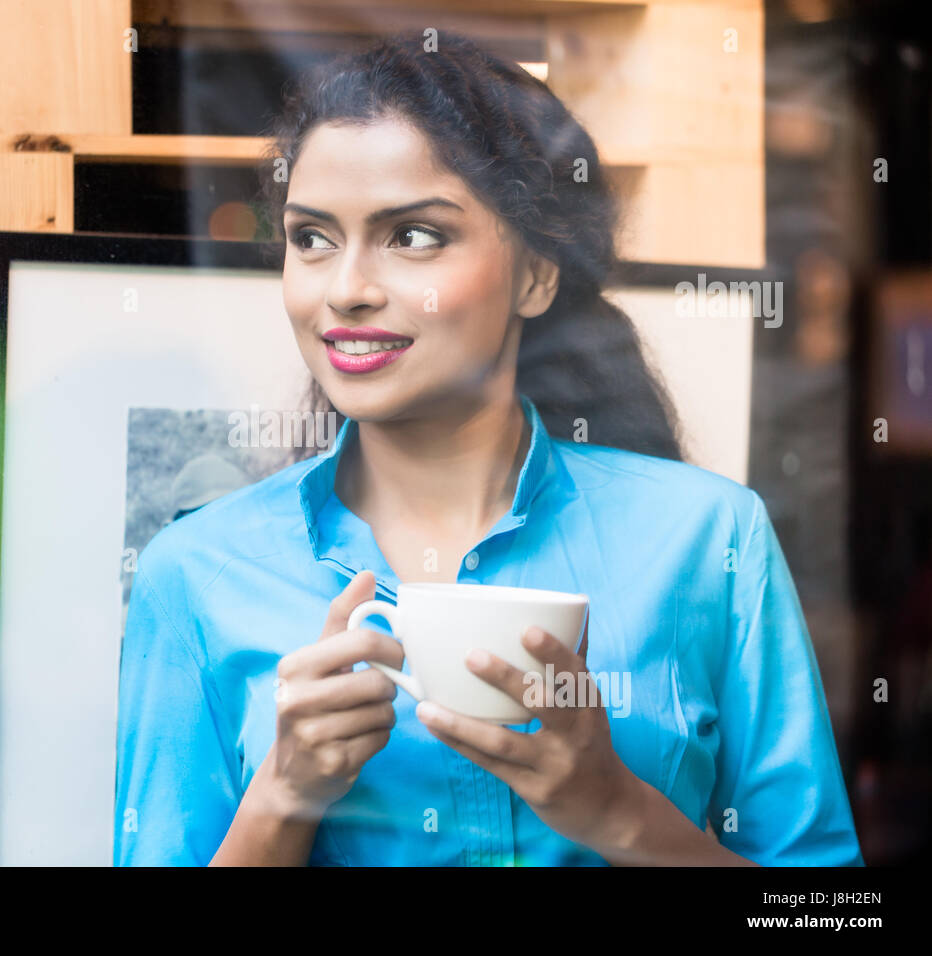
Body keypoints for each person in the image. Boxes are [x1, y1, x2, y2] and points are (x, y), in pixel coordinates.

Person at [112, 31, 864, 866]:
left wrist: (618, 813)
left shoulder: (711, 540)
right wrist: (281, 799)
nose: (347, 289)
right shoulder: (194, 574)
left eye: (414, 237)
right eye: (312, 239)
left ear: (538, 275)